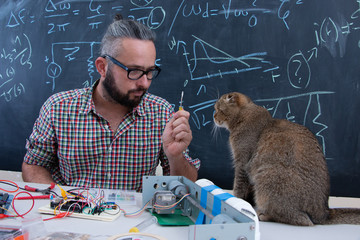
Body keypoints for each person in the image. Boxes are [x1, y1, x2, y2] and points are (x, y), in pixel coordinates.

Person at [22, 15, 200, 191]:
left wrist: (175, 156)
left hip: (135, 218)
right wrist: (60, 199)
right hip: (74, 213)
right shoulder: (58, 108)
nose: (144, 83)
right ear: (102, 67)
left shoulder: (161, 112)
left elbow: (183, 187)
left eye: (150, 72)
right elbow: (34, 165)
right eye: (134, 71)